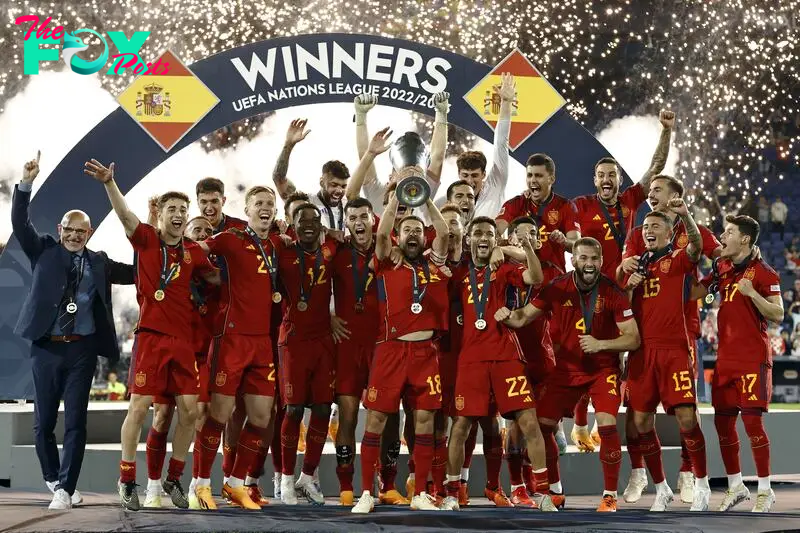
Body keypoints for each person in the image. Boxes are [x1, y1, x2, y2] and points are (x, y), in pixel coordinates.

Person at [84, 159, 220, 511]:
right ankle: (127, 477)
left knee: (190, 412)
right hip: (151, 338)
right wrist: (109, 184)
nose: (178, 214)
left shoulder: (192, 253)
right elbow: (125, 215)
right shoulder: (146, 240)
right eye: (172, 209)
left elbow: (218, 278)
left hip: (184, 342)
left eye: (183, 210)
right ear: (160, 215)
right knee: (140, 407)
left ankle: (175, 476)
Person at [12, 152, 134, 511]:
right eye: (70, 229)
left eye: (82, 231)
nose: (75, 235)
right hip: (46, 348)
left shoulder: (98, 262)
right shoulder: (44, 250)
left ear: (90, 233)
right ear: (61, 230)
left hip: (81, 350)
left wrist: (150, 233)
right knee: (43, 422)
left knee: (76, 423)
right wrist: (26, 183)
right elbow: (21, 222)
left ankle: (66, 488)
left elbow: (136, 271)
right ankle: (54, 479)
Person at [497, 238, 641, 512]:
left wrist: (601, 344)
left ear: (601, 260)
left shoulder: (613, 291)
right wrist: (505, 314)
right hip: (565, 369)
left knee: (607, 425)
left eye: (594, 258)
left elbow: (633, 338)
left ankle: (610, 496)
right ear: (573, 260)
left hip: (602, 369)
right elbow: (523, 317)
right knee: (542, 426)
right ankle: (555, 490)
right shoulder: (556, 287)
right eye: (583, 258)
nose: (589, 264)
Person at [570, 109, 675, 449]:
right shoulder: (580, 206)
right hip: (589, 290)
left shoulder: (631, 200)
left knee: (614, 359)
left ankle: (602, 420)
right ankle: (580, 425)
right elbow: (570, 238)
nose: (607, 180)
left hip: (624, 290)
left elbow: (656, 167)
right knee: (583, 354)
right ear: (594, 180)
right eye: (601, 175)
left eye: (612, 175)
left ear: (618, 179)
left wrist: (666, 130)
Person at [617, 175, 721, 505]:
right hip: (640, 344)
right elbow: (620, 280)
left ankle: (692, 475)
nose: (651, 195)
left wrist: (706, 290)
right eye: (650, 192)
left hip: (679, 335)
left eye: (658, 191)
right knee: (638, 417)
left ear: (676, 196)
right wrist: (626, 272)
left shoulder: (683, 248)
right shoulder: (638, 236)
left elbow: (715, 256)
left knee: (686, 413)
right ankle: (650, 480)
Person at [442, 217, 557, 512]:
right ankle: (452, 492)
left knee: (528, 422)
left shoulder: (505, 269)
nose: (483, 238)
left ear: (496, 240)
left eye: (489, 235)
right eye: (477, 233)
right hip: (471, 360)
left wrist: (525, 249)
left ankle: (543, 494)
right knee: (460, 427)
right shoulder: (458, 275)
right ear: (469, 239)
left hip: (507, 355)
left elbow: (536, 277)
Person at [351, 192, 450, 513]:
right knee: (377, 419)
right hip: (390, 350)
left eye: (418, 230)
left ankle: (420, 492)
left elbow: (445, 232)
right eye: (406, 230)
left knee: (424, 422)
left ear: (424, 237)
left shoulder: (434, 263)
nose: (412, 234)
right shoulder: (385, 260)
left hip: (426, 353)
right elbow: (381, 235)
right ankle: (366, 492)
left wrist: (424, 194)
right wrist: (393, 199)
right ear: (397, 235)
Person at [191, 186, 281, 510]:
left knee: (261, 417)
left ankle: (234, 483)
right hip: (230, 339)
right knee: (219, 414)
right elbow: (196, 248)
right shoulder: (231, 238)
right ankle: (201, 484)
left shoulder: (276, 245)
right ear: (247, 209)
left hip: (262, 343)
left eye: (270, 203)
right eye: (258, 203)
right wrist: (207, 276)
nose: (265, 208)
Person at [700, 215, 784, 512]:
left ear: (745, 239)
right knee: (723, 423)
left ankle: (765, 489)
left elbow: (777, 315)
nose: (723, 235)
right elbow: (701, 289)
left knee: (751, 423)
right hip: (725, 359)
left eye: (729, 232)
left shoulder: (765, 273)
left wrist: (752, 295)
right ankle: (736, 486)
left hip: (752, 359)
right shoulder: (722, 267)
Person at [141, 215, 216, 510]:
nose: (203, 235)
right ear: (185, 234)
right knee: (161, 417)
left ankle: (192, 482)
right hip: (164, 348)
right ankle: (153, 485)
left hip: (198, 357)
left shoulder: (211, 278)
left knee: (196, 417)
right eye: (197, 229)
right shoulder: (165, 267)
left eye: (209, 232)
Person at [274, 203, 340, 505]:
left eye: (315, 220)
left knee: (324, 408)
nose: (309, 225)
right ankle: (286, 478)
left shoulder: (332, 250)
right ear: (292, 223)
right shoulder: (282, 250)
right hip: (294, 340)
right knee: (293, 410)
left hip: (324, 340)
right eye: (303, 221)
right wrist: (278, 231)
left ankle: (307, 476)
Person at [349, 93, 448, 217]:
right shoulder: (378, 194)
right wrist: (361, 118)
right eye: (403, 171)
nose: (409, 174)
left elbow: (437, 156)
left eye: (413, 170)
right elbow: (364, 156)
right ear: (390, 179)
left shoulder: (422, 194)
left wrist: (441, 114)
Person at [272, 119, 350, 234]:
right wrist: (289, 145)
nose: (339, 190)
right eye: (334, 185)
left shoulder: (349, 206)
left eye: (343, 186)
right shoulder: (306, 202)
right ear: (322, 182)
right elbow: (279, 178)